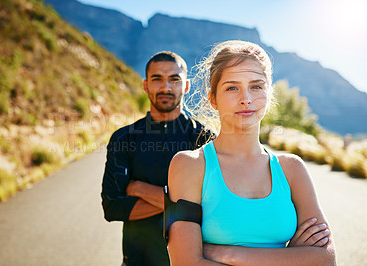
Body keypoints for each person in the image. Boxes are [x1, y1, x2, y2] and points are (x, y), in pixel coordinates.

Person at [167, 40, 336, 265]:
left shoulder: (291, 168)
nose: (246, 98)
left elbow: (325, 259)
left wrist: (229, 254)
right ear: (213, 99)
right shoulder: (190, 165)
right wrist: (291, 258)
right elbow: (186, 263)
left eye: (256, 86)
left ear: (268, 93)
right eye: (232, 87)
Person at [101, 51, 210, 266]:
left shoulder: (204, 139)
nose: (166, 88)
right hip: (137, 260)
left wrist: (139, 188)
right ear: (145, 85)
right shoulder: (123, 138)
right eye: (157, 79)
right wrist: (184, 205)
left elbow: (210, 207)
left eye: (174, 79)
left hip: (193, 261)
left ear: (186, 86)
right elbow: (112, 208)